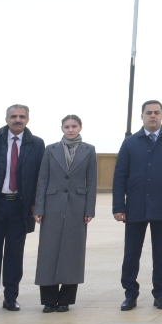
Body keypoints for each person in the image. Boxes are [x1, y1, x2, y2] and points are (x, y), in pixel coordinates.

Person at [113, 100, 162, 310]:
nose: (152, 116)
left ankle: (160, 294)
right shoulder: (130, 143)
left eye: (156, 112)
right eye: (148, 113)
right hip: (135, 207)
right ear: (142, 116)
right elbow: (120, 175)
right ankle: (130, 293)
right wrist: (118, 206)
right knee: (131, 253)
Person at [0, 104, 46, 313]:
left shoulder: (37, 144)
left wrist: (37, 204)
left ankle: (11, 298)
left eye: (22, 116)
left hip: (20, 208)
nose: (17, 120)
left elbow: (42, 177)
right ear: (6, 119)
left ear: (27, 120)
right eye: (13, 116)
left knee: (15, 255)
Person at [32, 114, 97, 312]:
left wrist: (89, 209)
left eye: (74, 126)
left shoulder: (89, 150)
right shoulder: (51, 149)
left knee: (73, 251)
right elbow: (42, 179)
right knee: (48, 252)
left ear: (80, 128)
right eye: (67, 126)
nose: (70, 130)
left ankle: (66, 299)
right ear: (62, 128)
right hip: (52, 205)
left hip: (78, 206)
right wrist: (40, 208)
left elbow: (92, 182)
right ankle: (49, 300)